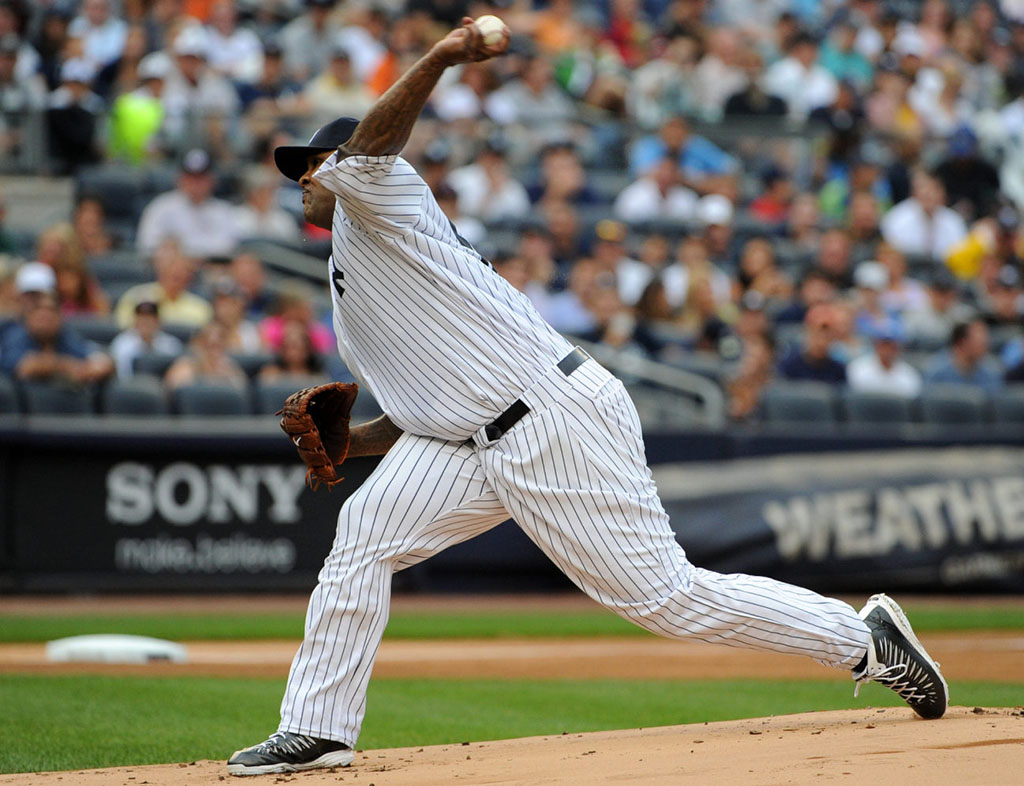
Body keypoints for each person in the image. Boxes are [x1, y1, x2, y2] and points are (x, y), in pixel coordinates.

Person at [227, 20, 949, 777]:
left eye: (314, 160)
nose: (304, 175)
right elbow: (432, 404)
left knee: (668, 601)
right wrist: (357, 441)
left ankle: (863, 639)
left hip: (551, 419)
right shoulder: (356, 267)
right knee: (363, 535)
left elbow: (373, 146)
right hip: (474, 437)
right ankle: (318, 729)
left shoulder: (381, 193)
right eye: (298, 166)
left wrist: (440, 56)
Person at [136, 149, 241, 259]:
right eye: (190, 178)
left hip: (214, 269)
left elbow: (230, 246)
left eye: (201, 178)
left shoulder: (224, 210)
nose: (195, 184)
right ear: (180, 179)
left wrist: (183, 246)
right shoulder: (161, 207)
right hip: (174, 269)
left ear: (212, 180)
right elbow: (147, 244)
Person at [923, 318, 1004, 395]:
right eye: (980, 341)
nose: (985, 345)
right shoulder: (936, 370)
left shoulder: (991, 371)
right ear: (961, 342)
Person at [108, 300, 184, 378]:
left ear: (158, 321)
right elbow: (122, 375)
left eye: (150, 318)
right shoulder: (121, 343)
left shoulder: (171, 344)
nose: (146, 322)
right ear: (135, 321)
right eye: (142, 318)